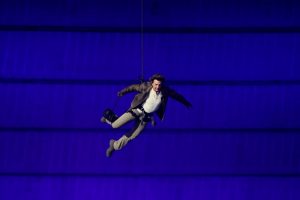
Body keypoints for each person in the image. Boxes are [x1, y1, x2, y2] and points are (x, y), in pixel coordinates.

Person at [101, 73, 192, 157]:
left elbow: (176, 96)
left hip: (145, 118)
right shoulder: (146, 86)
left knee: (133, 135)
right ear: (152, 83)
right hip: (136, 111)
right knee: (115, 125)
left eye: (159, 85)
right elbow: (133, 87)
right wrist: (122, 92)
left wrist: (185, 102)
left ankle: (114, 145)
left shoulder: (165, 91)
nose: (157, 87)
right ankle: (108, 119)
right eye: (156, 84)